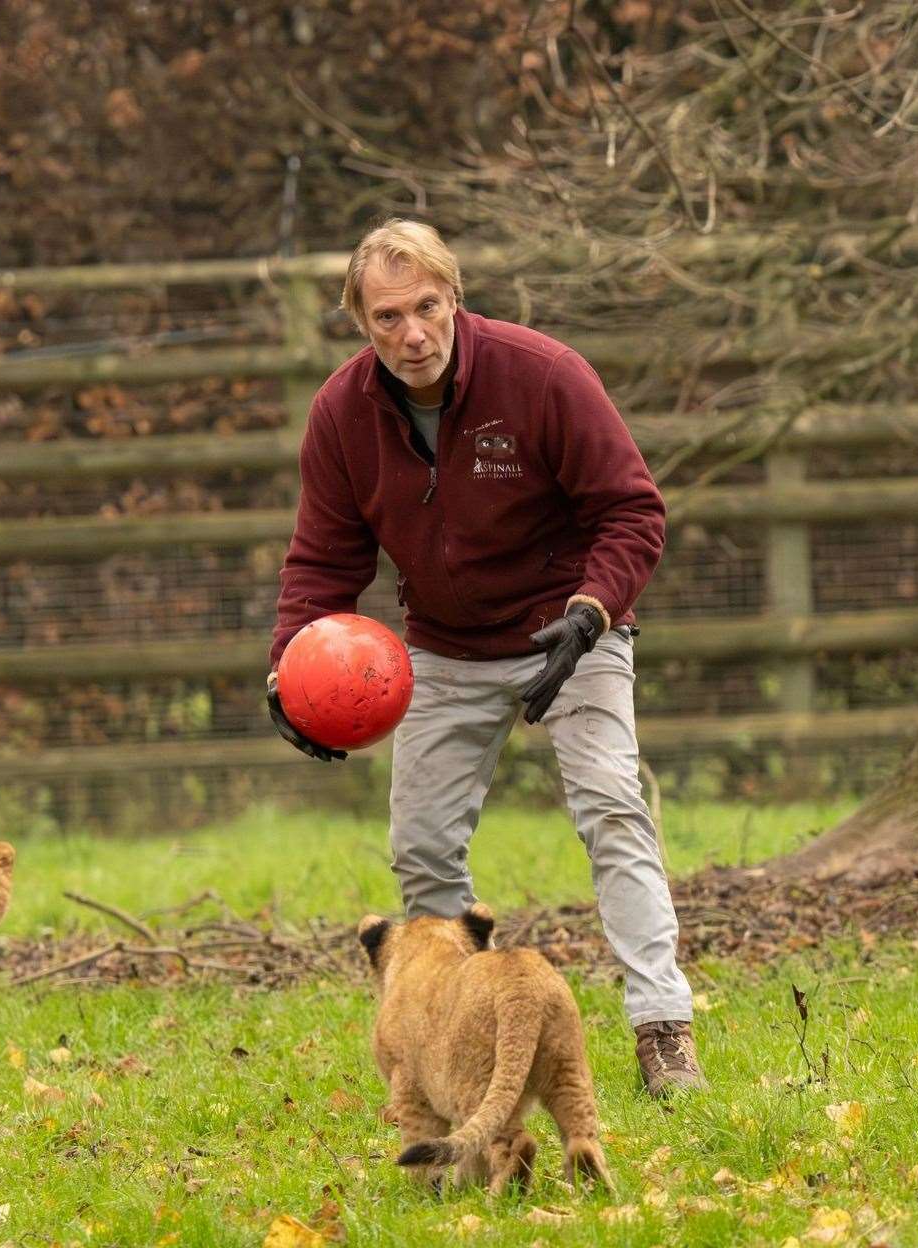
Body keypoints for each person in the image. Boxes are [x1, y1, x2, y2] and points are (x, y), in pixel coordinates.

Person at [264, 219, 704, 1098]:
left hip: (571, 630)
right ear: (361, 321)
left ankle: (663, 1030)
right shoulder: (341, 415)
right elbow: (322, 563)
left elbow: (632, 512)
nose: (412, 334)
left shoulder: (543, 375)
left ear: (454, 298)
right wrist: (290, 673)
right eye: (387, 317)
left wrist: (588, 615)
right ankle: (455, 1030)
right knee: (421, 850)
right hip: (442, 647)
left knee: (613, 810)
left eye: (426, 307)